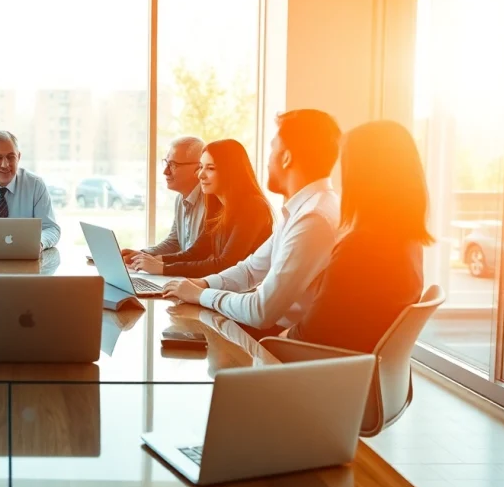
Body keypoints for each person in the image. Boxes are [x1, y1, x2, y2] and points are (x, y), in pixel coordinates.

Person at [163, 109, 342, 339]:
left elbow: (261, 311)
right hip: (272, 331)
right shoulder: (303, 209)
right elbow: (249, 270)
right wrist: (203, 284)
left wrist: (200, 295)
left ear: (286, 158)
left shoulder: (313, 218)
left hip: (280, 341)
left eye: (272, 149)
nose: (267, 161)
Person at [284, 121, 430, 352]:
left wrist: (276, 338)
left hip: (327, 365)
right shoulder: (409, 243)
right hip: (362, 364)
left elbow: (310, 335)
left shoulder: (359, 249)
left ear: (361, 179)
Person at [130, 139, 273, 277]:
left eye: (210, 168)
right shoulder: (217, 205)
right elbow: (196, 253)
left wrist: (162, 268)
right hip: (223, 288)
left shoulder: (253, 207)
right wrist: (154, 260)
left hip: (244, 291)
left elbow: (226, 264)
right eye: (201, 167)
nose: (200, 175)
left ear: (230, 171)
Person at [121, 136, 205, 264]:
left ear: (198, 167)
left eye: (173, 165)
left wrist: (160, 265)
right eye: (166, 163)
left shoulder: (211, 202)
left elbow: (201, 256)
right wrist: (142, 254)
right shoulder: (180, 199)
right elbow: (174, 242)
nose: (165, 171)